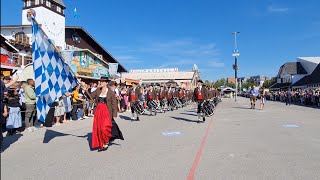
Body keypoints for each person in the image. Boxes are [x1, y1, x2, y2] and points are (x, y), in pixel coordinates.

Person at [90, 78, 123, 152]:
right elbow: (91, 96)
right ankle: (102, 143)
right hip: (98, 111)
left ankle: (106, 141)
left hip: (107, 111)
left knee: (105, 128)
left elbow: (114, 103)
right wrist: (85, 90)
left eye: (102, 81)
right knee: (99, 128)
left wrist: (114, 113)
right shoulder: (98, 90)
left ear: (106, 83)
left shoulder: (111, 92)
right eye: (100, 81)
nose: (100, 82)